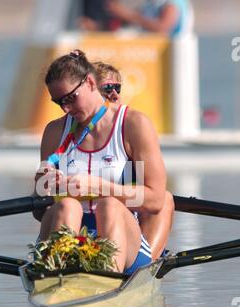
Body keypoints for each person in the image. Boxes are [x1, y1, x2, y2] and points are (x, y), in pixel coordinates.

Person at [34, 49, 174, 274]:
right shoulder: (54, 131)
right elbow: (39, 209)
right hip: (69, 229)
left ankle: (105, 279)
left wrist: (99, 187)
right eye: (59, 102)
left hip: (122, 235)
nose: (66, 108)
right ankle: (58, 278)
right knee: (67, 205)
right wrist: (46, 188)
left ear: (89, 82)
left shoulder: (133, 124)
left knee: (109, 205)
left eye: (70, 98)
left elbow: (156, 200)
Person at [92, 61, 174, 263]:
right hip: (82, 223)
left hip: (123, 222)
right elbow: (40, 211)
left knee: (164, 199)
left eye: (117, 88)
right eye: (107, 89)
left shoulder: (131, 127)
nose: (115, 95)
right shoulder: (61, 132)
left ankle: (144, 266)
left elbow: (153, 197)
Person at [106, 0, 193, 37]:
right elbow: (131, 19)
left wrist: (128, 15)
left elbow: (162, 28)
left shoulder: (172, 3)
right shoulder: (151, 4)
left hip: (174, 54)